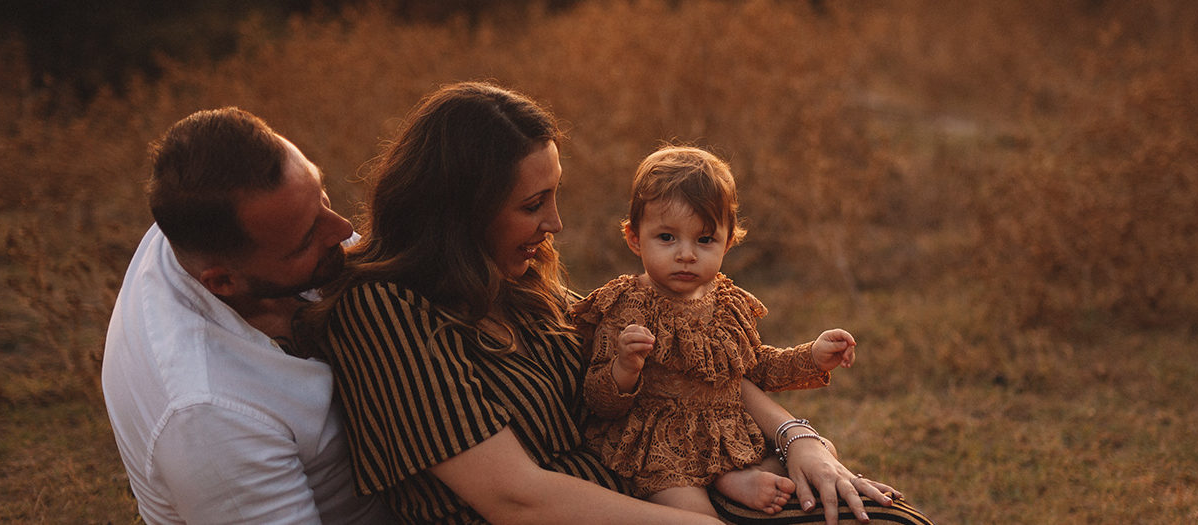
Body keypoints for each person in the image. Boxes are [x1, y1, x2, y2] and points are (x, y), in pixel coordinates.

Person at [301, 82, 929, 525]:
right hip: (609, 515)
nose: (556, 222)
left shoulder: (516, 282)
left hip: (659, 494)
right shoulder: (384, 308)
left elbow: (684, 369)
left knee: (883, 519)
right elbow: (513, 500)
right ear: (459, 210)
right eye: (531, 205)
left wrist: (801, 440)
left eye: (554, 196)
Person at [101, 108, 394, 524]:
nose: (343, 228)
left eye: (322, 196)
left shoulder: (207, 217)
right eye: (307, 238)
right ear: (222, 282)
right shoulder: (210, 414)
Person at [574, 145, 862, 518]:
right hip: (663, 448)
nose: (686, 254)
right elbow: (598, 399)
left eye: (704, 240)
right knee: (694, 515)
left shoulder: (727, 301)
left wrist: (811, 355)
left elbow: (755, 367)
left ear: (728, 242)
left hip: (727, 436)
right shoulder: (626, 305)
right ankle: (724, 484)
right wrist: (625, 368)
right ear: (634, 238)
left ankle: (730, 478)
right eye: (667, 238)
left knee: (820, 448)